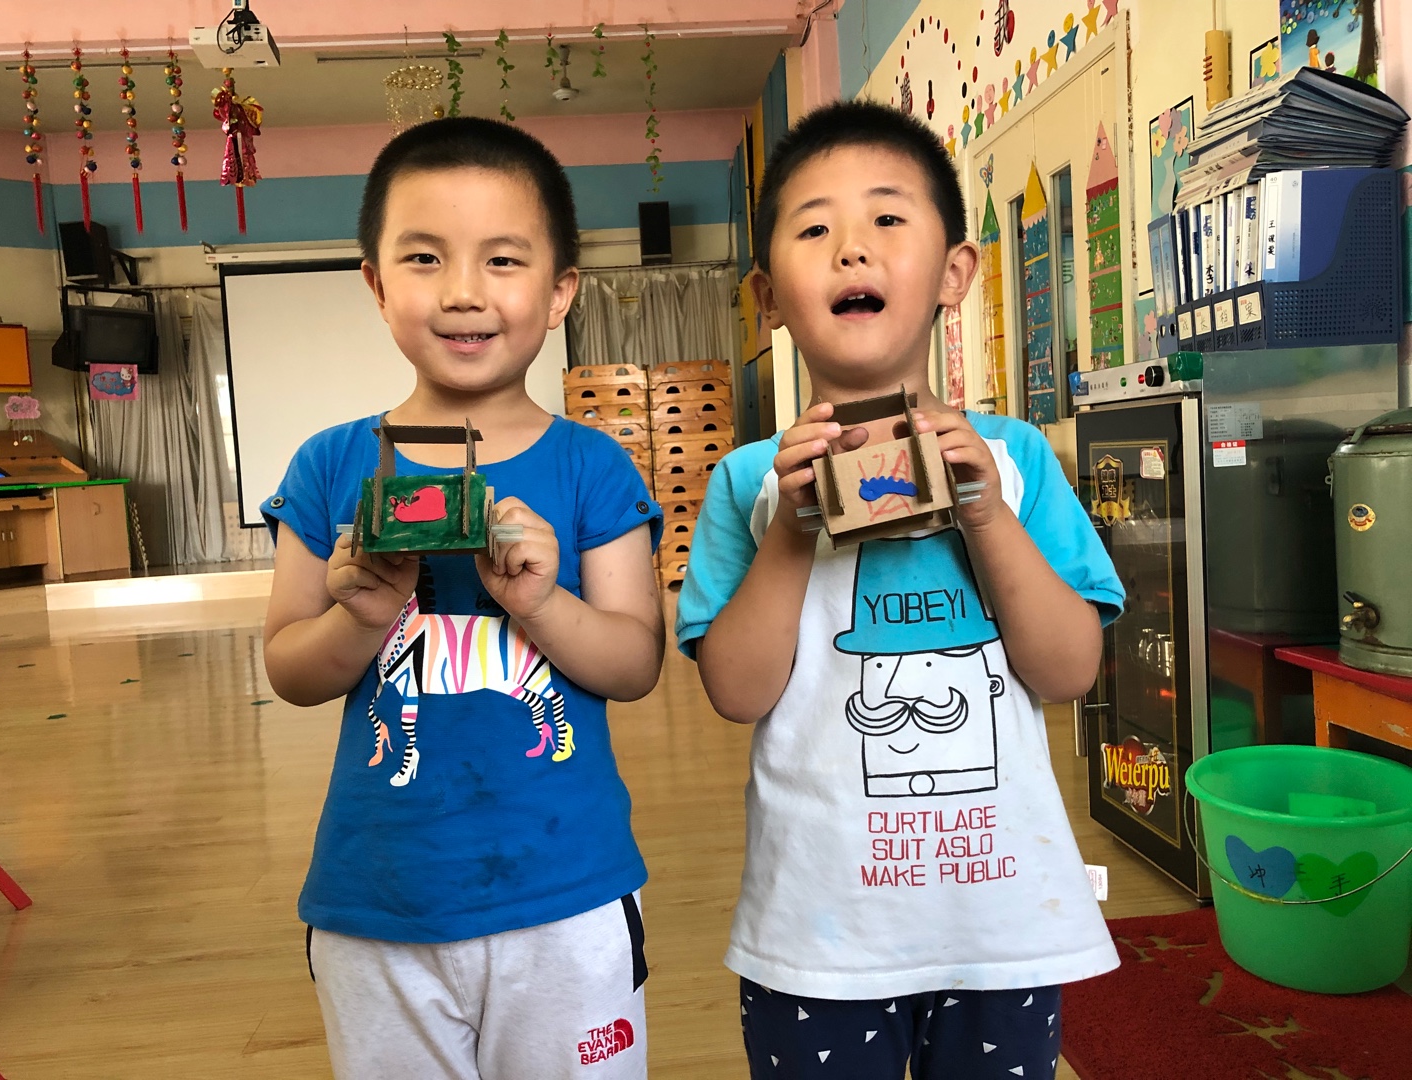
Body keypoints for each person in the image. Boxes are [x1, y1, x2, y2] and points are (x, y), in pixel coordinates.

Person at [676, 100, 1126, 1080]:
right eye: (813, 229)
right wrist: (792, 528)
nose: (852, 248)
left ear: (954, 274)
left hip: (1002, 924)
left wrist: (985, 511)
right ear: (768, 297)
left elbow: (1068, 671)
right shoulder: (749, 482)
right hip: (818, 934)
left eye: (887, 217)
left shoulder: (1015, 462)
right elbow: (736, 692)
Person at [261, 117, 664, 1080]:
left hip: (568, 893)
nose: (463, 292)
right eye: (425, 257)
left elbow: (635, 664)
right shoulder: (329, 465)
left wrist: (542, 603)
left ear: (560, 290)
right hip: (378, 900)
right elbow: (288, 669)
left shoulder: (594, 467)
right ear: (376, 283)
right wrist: (360, 616)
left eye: (503, 259)